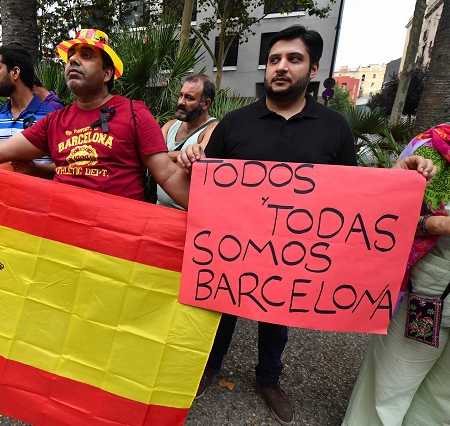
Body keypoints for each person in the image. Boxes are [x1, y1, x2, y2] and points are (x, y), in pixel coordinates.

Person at [178, 25, 436, 425]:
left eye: (293, 59)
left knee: (278, 314)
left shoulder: (334, 128)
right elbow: (206, 181)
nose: (281, 67)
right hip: (234, 250)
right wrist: (191, 156)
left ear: (312, 69)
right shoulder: (235, 124)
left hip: (293, 256)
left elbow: (355, 194)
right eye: (275, 60)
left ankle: (269, 379)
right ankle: (208, 368)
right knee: (220, 310)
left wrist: (399, 176)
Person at [0, 28, 190, 207]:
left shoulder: (135, 113)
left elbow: (167, 174)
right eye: (71, 56)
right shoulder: (54, 121)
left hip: (118, 240)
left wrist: (216, 219)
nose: (73, 60)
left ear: (106, 73)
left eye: (87, 55)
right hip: (63, 237)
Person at [342, 123, 450, 426]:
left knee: (443, 399)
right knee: (391, 384)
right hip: (431, 288)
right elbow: (383, 218)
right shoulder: (429, 148)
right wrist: (434, 225)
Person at [0, 44, 54, 178]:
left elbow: (65, 168)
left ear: (15, 72)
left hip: (37, 197)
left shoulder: (51, 117)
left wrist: (37, 170)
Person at [156, 74, 218, 210]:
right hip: (159, 210)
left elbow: (193, 164)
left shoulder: (213, 129)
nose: (181, 102)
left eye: (189, 98)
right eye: (181, 95)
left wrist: (161, 157)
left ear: (206, 104)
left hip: (187, 214)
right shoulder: (170, 125)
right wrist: (178, 155)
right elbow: (153, 157)